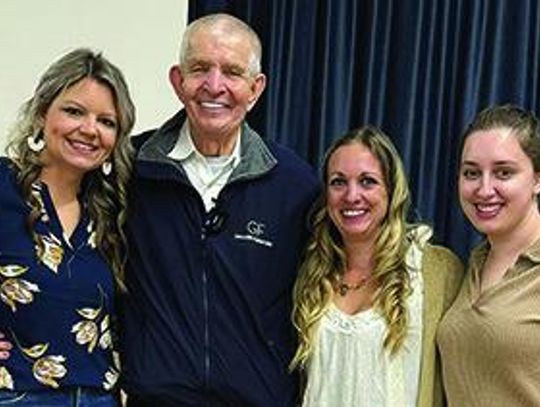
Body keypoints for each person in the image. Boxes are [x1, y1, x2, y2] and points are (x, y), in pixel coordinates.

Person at [118, 13, 319, 406]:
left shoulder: (295, 183)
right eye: (199, 69)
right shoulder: (132, 168)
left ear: (255, 88)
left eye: (231, 72)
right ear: (178, 81)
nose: (214, 86)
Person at [290, 126, 464, 406]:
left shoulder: (435, 270)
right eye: (338, 182)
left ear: (392, 189)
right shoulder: (310, 273)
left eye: (368, 181)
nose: (351, 196)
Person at [0, 48, 135, 406]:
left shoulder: (113, 212)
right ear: (43, 112)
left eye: (107, 121)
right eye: (74, 111)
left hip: (99, 398)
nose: (90, 130)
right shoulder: (2, 185)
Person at [437, 105, 540, 405]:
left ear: (536, 179)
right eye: (471, 173)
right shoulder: (472, 264)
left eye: (503, 173)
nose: (484, 189)